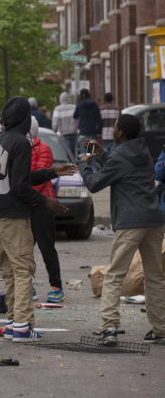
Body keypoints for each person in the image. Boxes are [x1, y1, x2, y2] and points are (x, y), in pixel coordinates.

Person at [0, 97, 75, 343]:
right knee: (24, 269)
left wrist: (52, 171)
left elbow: (18, 176)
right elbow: (20, 185)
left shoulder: (0, 141)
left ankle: (13, 321)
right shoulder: (22, 144)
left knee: (10, 271)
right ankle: (23, 326)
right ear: (27, 121)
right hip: (13, 215)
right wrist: (46, 201)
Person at [79, 115, 165, 346]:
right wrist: (103, 153)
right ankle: (161, 328)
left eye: (115, 128)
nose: (113, 131)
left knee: (114, 275)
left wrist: (85, 163)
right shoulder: (143, 151)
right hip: (154, 220)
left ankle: (109, 328)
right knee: (155, 276)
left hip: (130, 221)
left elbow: (95, 183)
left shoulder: (119, 156)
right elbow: (121, 164)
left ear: (120, 134)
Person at [28, 117, 65, 303]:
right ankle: (29, 286)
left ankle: (56, 287)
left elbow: (40, 176)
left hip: (42, 206)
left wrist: (24, 195)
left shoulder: (44, 149)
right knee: (25, 251)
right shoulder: (17, 148)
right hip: (26, 206)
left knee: (46, 248)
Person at [73, 89, 102, 157]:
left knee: (84, 157)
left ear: (80, 96)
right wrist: (99, 132)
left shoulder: (79, 106)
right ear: (89, 95)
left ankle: (84, 166)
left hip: (83, 133)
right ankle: (93, 167)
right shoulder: (94, 106)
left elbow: (75, 116)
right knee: (91, 156)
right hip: (92, 134)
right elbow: (99, 121)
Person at [51, 91, 78, 157]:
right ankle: (74, 166)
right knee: (74, 153)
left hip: (64, 134)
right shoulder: (75, 107)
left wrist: (53, 133)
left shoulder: (58, 109)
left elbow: (55, 124)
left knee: (67, 154)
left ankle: (69, 166)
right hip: (75, 133)